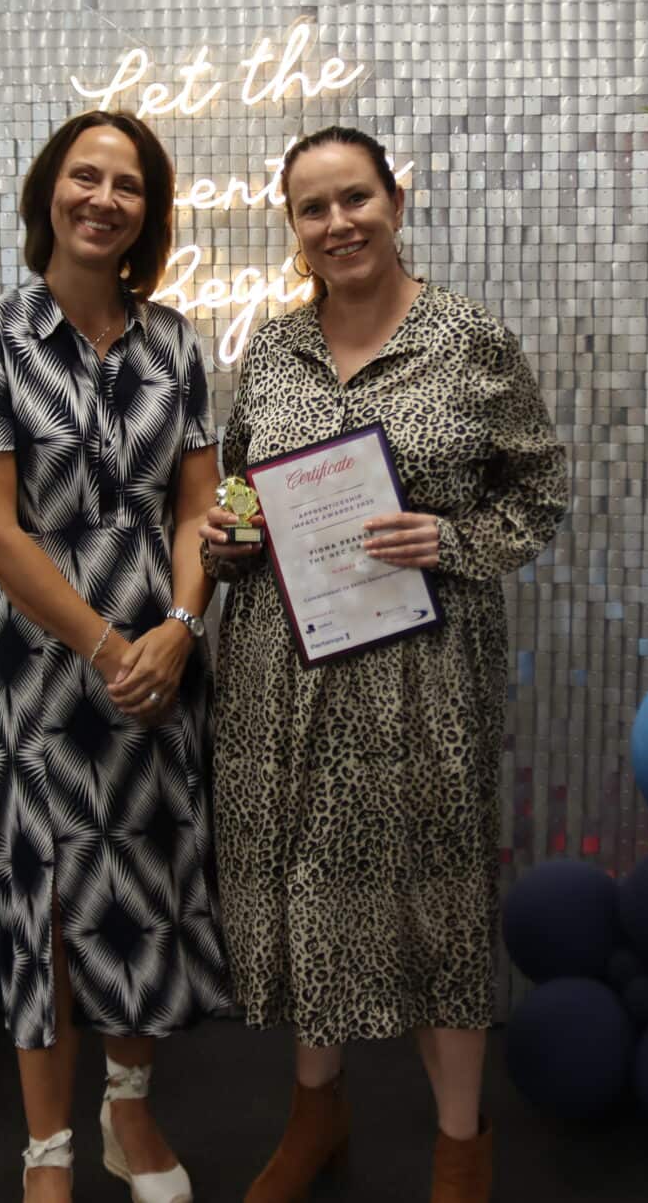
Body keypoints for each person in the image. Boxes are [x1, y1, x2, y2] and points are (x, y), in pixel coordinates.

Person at [198, 126, 568, 1203]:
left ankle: (460, 1146)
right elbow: (238, 489)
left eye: (354, 198)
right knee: (304, 892)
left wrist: (448, 538)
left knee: (437, 900)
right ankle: (316, 1115)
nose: (337, 223)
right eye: (312, 207)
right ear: (293, 226)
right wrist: (226, 543)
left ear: (394, 203)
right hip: (281, 671)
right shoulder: (274, 349)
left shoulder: (468, 339)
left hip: (424, 677)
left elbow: (538, 494)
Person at [0, 109, 231, 1203]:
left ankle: (129, 1113)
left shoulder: (176, 344)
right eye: (85, 175)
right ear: (48, 192)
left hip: (160, 662)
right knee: (50, 902)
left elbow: (198, 507)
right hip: (40, 667)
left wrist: (179, 629)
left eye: (128, 184)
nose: (104, 198)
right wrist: (108, 644)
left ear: (148, 213)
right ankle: (47, 1152)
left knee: (145, 885)